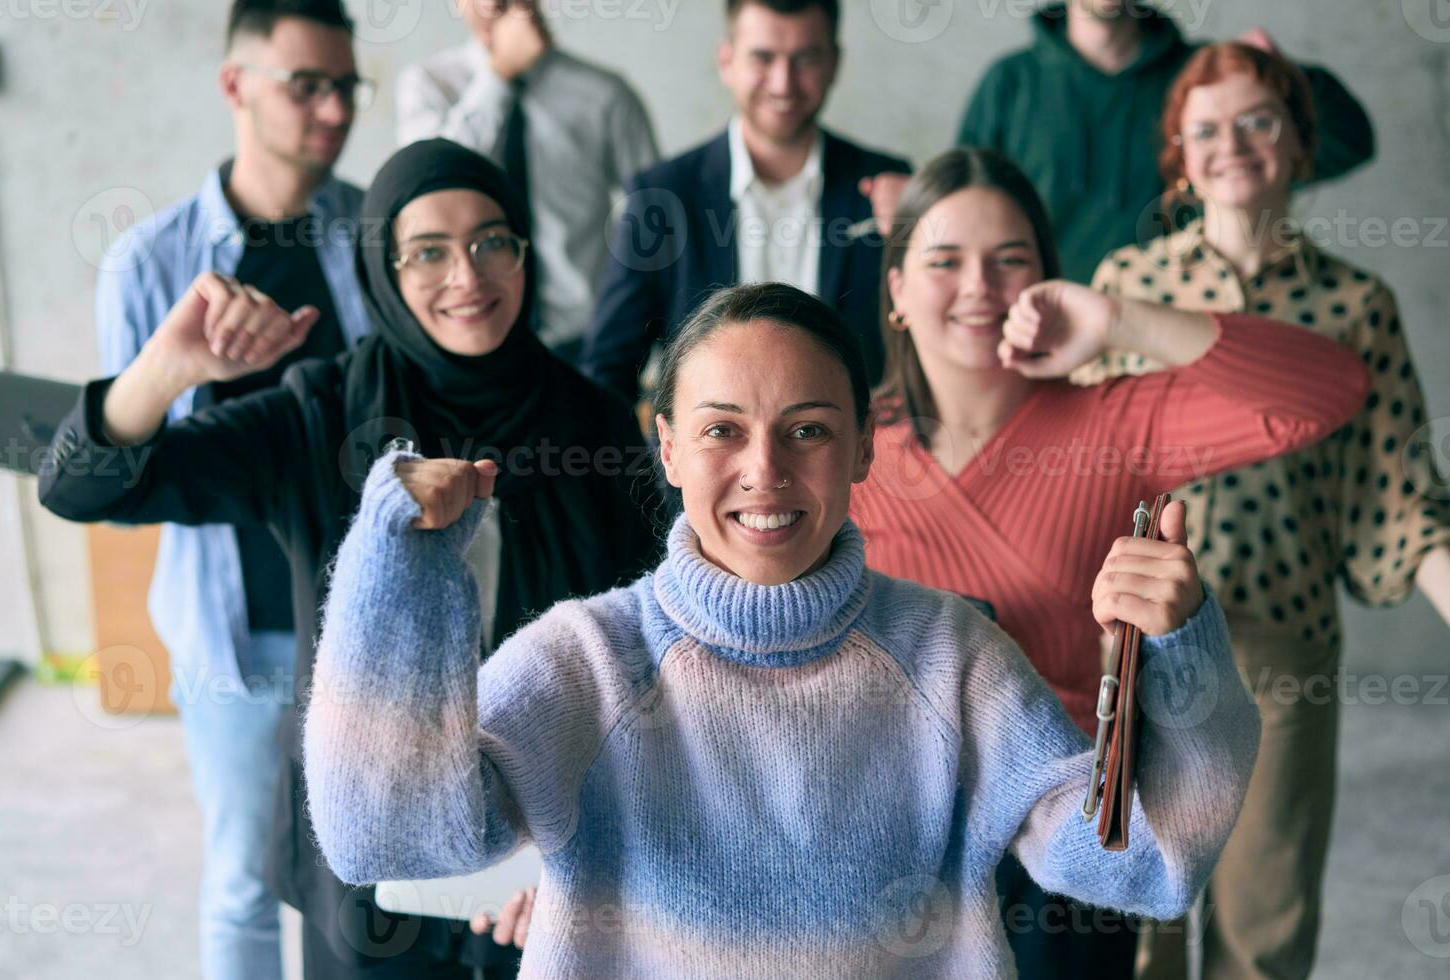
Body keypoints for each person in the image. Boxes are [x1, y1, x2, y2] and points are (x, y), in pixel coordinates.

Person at [304, 279, 1264, 977]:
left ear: (858, 452)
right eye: (722, 430)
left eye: (807, 429)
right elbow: (381, 837)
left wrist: (1178, 652)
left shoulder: (951, 658)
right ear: (669, 448)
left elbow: (1143, 864)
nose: (765, 469)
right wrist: (400, 567)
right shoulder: (587, 662)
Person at [40, 140, 661, 979]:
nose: (468, 276)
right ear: (382, 269)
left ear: (524, 251)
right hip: (371, 863)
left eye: (492, 241)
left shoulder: (590, 420)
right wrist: (168, 368)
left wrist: (592, 854)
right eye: (428, 252)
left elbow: (637, 656)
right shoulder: (322, 414)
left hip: (541, 859)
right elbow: (82, 488)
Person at [845, 146, 1373, 978]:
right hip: (885, 836)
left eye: (1009, 260)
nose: (980, 286)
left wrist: (1120, 321)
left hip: (1068, 842)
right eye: (944, 261)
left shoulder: (1110, 425)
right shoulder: (843, 447)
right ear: (899, 292)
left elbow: (1331, 388)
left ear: (1047, 280)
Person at [1072, 41, 1450, 980]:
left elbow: (1401, 501)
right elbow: (1073, 471)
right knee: (1140, 925)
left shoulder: (1355, 304)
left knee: (1265, 928)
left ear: (1296, 144)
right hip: (1146, 653)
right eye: (1205, 129)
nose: (1230, 144)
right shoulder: (1127, 287)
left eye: (1256, 121)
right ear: (1180, 158)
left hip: (1284, 652)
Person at [92, 1, 371, 976]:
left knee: (367, 879)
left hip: (367, 623)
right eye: (308, 84)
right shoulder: (151, 261)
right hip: (234, 632)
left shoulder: (378, 236)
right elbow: (115, 467)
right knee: (247, 879)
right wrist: (181, 370)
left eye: (346, 86)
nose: (333, 110)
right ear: (235, 86)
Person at [862, 0, 1375, 284]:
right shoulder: (1010, 85)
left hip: (1192, 333)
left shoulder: (1205, 83)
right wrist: (919, 208)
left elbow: (1345, 141)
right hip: (1042, 345)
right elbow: (972, 219)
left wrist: (1278, 75)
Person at [581, 0, 909, 400]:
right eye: (763, 57)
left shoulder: (889, 183)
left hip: (863, 457)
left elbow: (924, 349)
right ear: (726, 61)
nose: (783, 83)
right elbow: (606, 371)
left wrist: (920, 232)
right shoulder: (661, 195)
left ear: (834, 64)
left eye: (805, 58)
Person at [396, 0, 659, 361]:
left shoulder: (605, 96)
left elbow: (655, 220)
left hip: (586, 344)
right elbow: (428, 183)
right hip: (468, 333)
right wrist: (500, 73)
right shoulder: (428, 87)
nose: (491, 4)